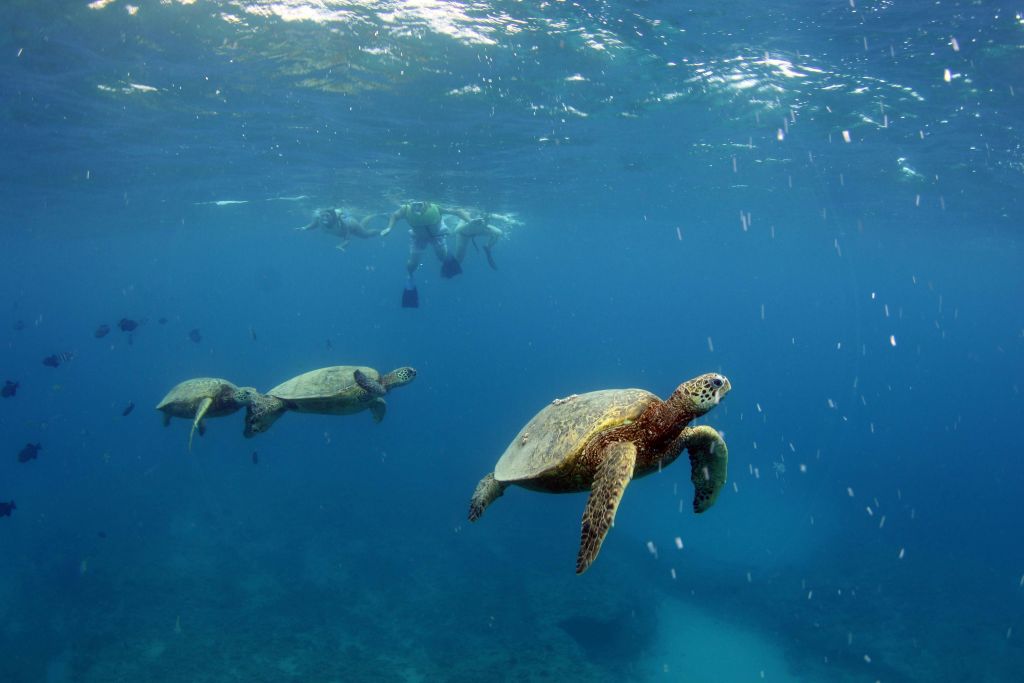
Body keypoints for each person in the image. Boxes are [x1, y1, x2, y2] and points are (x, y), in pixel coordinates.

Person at [380, 201, 472, 307]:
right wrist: (389, 227)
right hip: (418, 238)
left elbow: (457, 211)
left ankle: (449, 261)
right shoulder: (405, 209)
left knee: (442, 257)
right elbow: (395, 215)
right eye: (414, 205)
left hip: (437, 236)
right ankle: (409, 279)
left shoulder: (435, 207)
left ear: (425, 203)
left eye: (419, 205)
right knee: (413, 264)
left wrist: (470, 221)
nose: (417, 207)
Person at [297, 208, 380, 251]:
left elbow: (347, 239)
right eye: (323, 216)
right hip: (345, 228)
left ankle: (380, 230)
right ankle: (370, 216)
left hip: (352, 225)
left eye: (327, 216)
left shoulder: (342, 224)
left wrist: (341, 246)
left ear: (332, 217)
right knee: (362, 227)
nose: (324, 218)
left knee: (365, 235)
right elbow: (313, 225)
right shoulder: (319, 219)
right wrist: (304, 228)